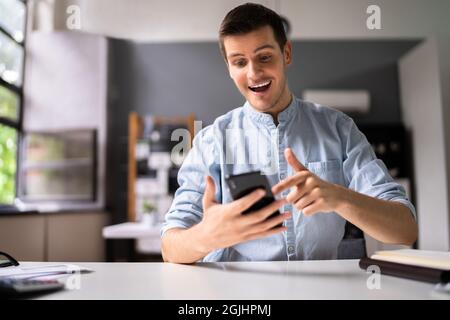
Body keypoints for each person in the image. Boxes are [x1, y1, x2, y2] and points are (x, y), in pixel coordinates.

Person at [161, 3, 418, 263]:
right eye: (239, 62)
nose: (253, 73)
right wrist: (207, 236)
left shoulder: (339, 129)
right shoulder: (211, 141)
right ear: (229, 67)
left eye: (264, 57)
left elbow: (405, 230)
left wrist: (340, 198)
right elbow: (170, 248)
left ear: (286, 53)